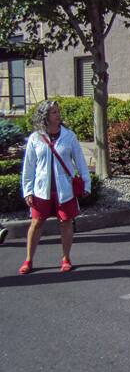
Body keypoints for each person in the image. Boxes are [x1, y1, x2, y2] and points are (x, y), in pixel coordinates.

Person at [19, 100, 91, 274]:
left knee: (65, 222)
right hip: (41, 189)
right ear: (45, 116)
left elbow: (80, 162)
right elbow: (28, 167)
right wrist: (28, 190)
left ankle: (66, 258)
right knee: (36, 223)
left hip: (64, 190)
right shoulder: (36, 138)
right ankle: (29, 260)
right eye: (54, 112)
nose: (58, 115)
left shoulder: (69, 136)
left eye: (58, 112)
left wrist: (87, 184)